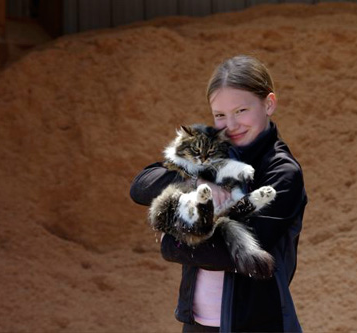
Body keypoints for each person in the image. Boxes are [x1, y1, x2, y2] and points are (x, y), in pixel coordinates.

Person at [130, 55, 307, 332]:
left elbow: (235, 253)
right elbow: (141, 185)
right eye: (220, 115)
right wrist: (198, 181)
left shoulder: (283, 172)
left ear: (269, 104)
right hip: (198, 322)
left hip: (255, 324)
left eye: (241, 111)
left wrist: (170, 243)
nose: (231, 125)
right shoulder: (210, 150)